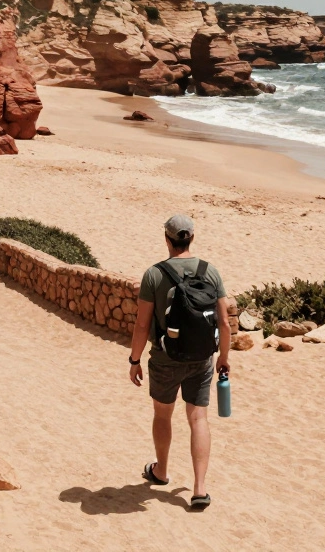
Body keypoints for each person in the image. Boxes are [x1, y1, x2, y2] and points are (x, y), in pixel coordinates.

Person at [129, 214, 230, 511]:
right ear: (192, 238)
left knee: (163, 415)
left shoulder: (154, 274)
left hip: (165, 357)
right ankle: (199, 489)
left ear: (167, 239)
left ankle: (160, 471)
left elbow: (141, 325)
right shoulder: (210, 271)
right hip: (202, 358)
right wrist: (224, 357)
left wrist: (134, 360)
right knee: (198, 418)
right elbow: (224, 322)